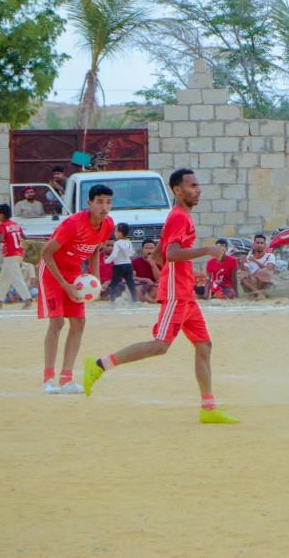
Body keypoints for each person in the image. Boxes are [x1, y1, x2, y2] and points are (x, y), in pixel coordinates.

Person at [82, 168, 239, 424]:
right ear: (177, 190)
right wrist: (207, 251)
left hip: (185, 291)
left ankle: (208, 408)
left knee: (204, 345)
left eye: (197, 185)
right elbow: (173, 254)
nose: (198, 190)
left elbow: (159, 254)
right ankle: (99, 365)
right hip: (177, 292)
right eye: (192, 186)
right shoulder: (179, 217)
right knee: (160, 345)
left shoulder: (179, 216)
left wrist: (180, 272)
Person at [37, 184, 114, 394]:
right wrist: (65, 285)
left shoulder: (108, 224)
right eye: (99, 202)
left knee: (79, 322)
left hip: (74, 273)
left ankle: (66, 378)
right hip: (52, 271)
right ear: (89, 203)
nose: (104, 207)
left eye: (108, 202)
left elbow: (95, 250)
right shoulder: (73, 224)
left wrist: (95, 279)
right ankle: (48, 379)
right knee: (57, 322)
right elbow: (46, 253)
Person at [0, 203, 33, 309]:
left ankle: (28, 300)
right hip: (18, 254)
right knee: (4, 279)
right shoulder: (15, 224)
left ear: (2, 214)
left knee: (17, 278)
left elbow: (0, 239)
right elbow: (24, 237)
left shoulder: (3, 225)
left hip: (10, 255)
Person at [105, 223, 137, 304]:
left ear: (120, 233)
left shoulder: (117, 243)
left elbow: (114, 255)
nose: (114, 233)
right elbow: (131, 253)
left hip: (119, 266)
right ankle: (134, 300)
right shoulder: (128, 242)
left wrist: (107, 261)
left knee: (114, 283)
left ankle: (112, 300)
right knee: (130, 283)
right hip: (128, 265)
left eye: (115, 231)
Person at [239, 234, 275, 299]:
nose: (259, 245)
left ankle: (256, 293)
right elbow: (247, 272)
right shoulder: (249, 257)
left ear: (265, 245)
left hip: (263, 281)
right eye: (257, 243)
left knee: (266, 272)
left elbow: (269, 268)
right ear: (254, 244)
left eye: (261, 243)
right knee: (240, 273)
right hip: (252, 281)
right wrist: (242, 263)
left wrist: (255, 261)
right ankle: (258, 293)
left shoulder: (270, 256)